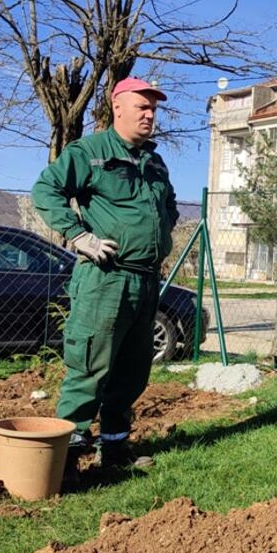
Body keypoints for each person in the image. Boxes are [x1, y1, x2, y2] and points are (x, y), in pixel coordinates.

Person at [31, 77, 179, 471]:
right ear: (118, 108)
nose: (150, 115)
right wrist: (79, 236)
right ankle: (64, 459)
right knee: (89, 368)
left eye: (153, 110)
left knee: (132, 373)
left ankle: (113, 451)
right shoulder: (90, 152)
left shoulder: (154, 161)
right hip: (105, 278)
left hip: (145, 281)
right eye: (142, 108)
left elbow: (170, 207)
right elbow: (46, 190)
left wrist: (160, 231)